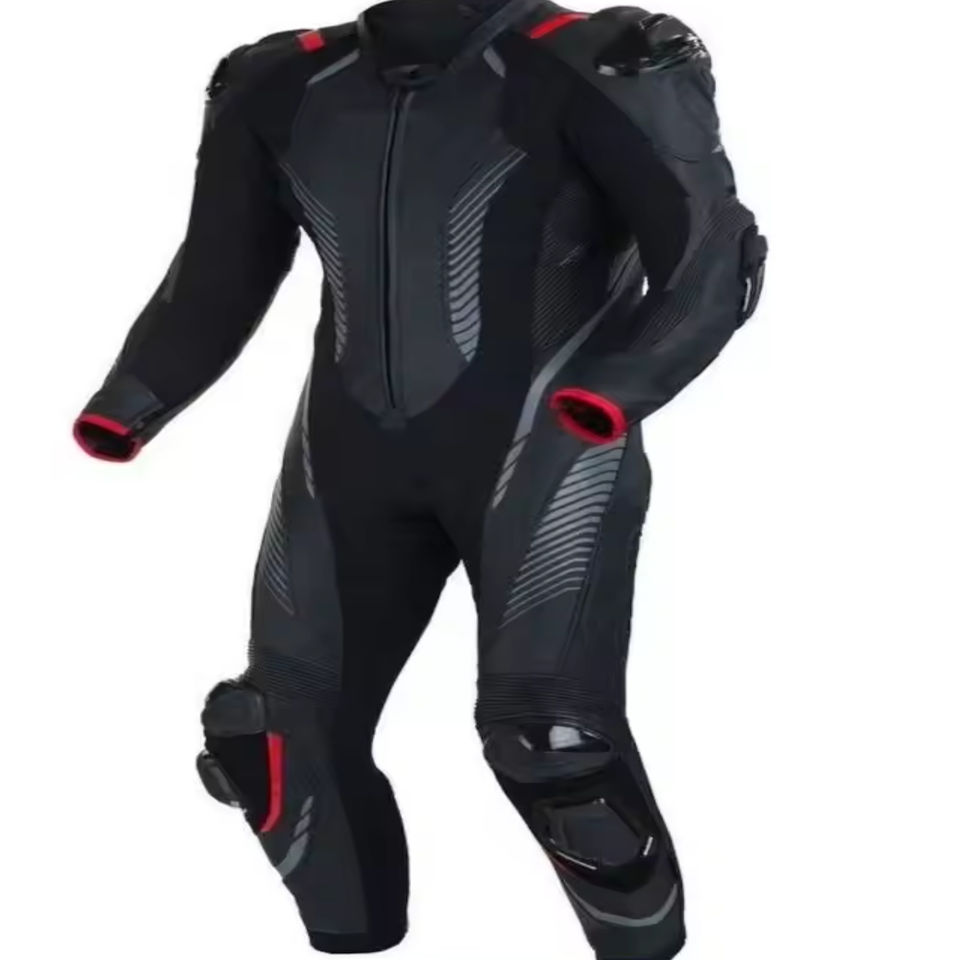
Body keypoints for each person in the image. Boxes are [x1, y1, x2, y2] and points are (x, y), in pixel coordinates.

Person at [74, 3, 767, 957]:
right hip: (345, 457)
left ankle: (642, 949)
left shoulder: (598, 61)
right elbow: (217, 271)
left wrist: (620, 388)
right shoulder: (280, 80)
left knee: (551, 740)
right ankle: (354, 937)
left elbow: (710, 255)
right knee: (274, 732)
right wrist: (133, 400)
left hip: (546, 447)